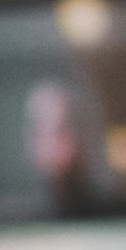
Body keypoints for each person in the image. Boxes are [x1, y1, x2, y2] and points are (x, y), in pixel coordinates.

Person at [24, 79, 97, 220]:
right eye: (41, 132)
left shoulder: (119, 216)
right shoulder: (14, 223)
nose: (52, 147)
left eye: (60, 131)